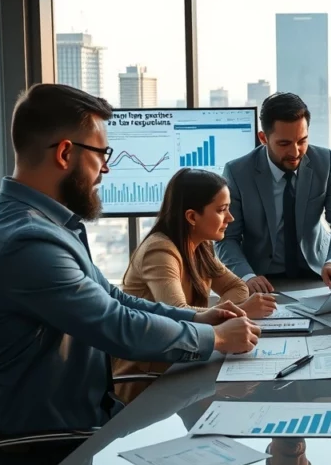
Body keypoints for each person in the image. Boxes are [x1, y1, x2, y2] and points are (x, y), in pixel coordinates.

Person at [0, 83, 262, 465]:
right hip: (47, 455)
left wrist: (198, 317)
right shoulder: (25, 241)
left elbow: (113, 298)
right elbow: (114, 324)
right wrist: (213, 338)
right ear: (65, 153)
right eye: (101, 154)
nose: (105, 168)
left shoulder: (49, 227)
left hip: (86, 426)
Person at [113, 168, 277, 403]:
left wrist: (226, 315)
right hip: (150, 380)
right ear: (192, 217)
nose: (230, 218)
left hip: (184, 364)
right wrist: (229, 316)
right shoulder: (159, 251)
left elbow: (238, 287)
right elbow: (176, 311)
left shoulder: (200, 245)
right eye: (221, 210)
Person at [217, 92, 331, 293]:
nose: (295, 152)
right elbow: (226, 237)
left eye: (302, 141)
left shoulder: (324, 162)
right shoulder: (238, 172)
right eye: (284, 144)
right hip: (262, 280)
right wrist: (247, 276)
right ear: (263, 138)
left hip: (319, 273)